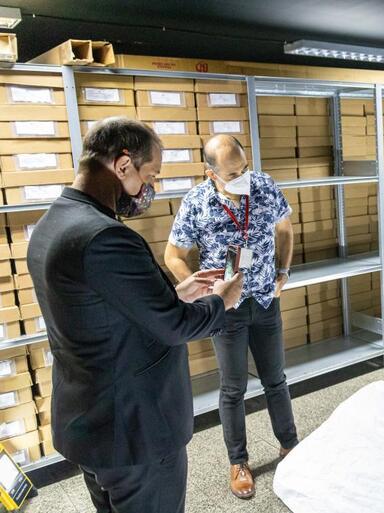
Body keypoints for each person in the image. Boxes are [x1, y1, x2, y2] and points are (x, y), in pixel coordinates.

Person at [27, 117, 243, 513]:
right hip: (134, 432)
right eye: (150, 175)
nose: (150, 188)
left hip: (92, 425)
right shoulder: (107, 236)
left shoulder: (51, 224)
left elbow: (104, 309)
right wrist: (221, 301)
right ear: (123, 164)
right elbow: (174, 327)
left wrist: (175, 293)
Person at [165, 134, 298, 499]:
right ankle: (238, 462)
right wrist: (204, 290)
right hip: (226, 312)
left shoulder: (264, 186)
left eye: (245, 168)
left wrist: (283, 271)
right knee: (233, 388)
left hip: (265, 301)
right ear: (211, 174)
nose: (243, 178)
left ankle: (290, 445)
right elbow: (173, 255)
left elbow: (284, 228)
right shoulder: (197, 202)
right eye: (233, 173)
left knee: (276, 380)